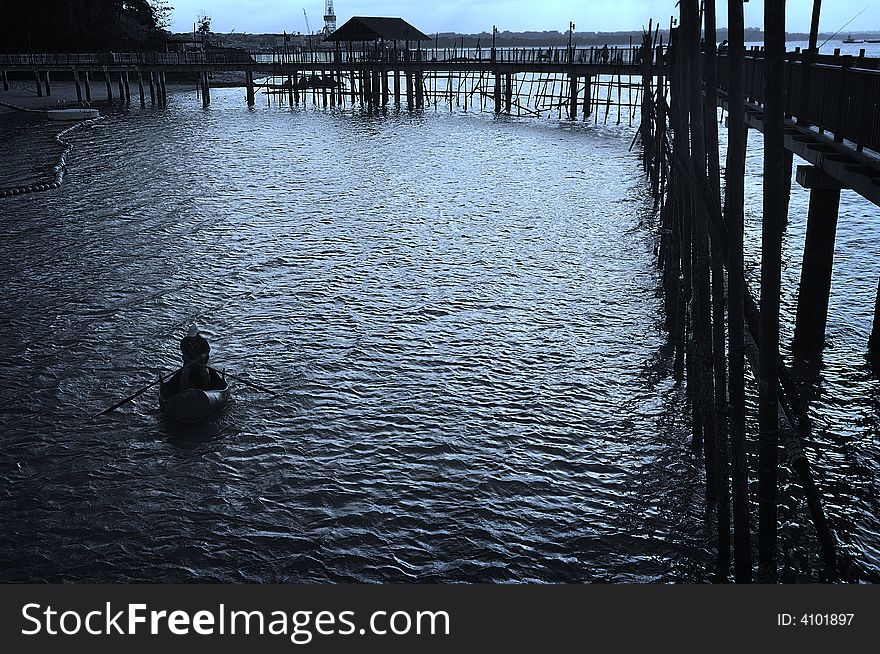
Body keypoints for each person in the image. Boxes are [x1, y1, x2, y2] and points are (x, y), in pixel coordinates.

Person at [179, 325, 211, 391]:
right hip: (189, 364)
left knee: (205, 374)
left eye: (193, 337)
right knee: (184, 375)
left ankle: (205, 390)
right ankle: (182, 391)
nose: (192, 339)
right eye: (190, 338)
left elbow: (207, 350)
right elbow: (183, 351)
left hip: (200, 364)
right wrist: (185, 356)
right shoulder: (184, 341)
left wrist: (203, 356)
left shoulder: (202, 341)